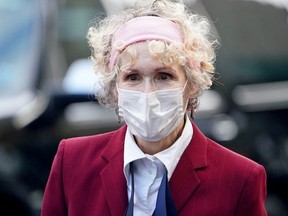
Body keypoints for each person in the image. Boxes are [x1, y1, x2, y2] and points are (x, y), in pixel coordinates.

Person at [41, 0, 267, 215]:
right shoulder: (72, 161)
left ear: (191, 84)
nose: (148, 93)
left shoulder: (240, 178)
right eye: (133, 77)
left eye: (164, 76)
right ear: (114, 88)